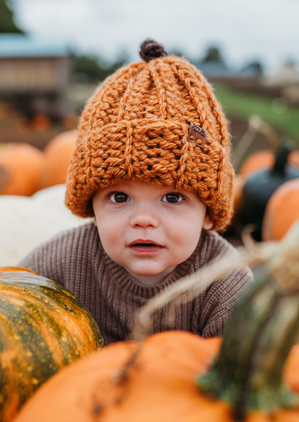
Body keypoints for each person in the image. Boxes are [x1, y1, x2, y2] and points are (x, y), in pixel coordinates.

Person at [18, 39, 252, 345]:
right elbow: (11, 310)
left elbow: (242, 376)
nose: (143, 220)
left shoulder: (225, 284)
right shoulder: (64, 261)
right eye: (119, 197)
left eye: (172, 198)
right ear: (91, 205)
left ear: (208, 212)